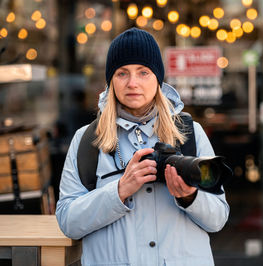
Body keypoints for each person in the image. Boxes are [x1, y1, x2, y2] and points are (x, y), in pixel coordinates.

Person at [55, 27, 230, 266]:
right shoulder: (87, 139)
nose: (132, 83)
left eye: (143, 72)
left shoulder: (189, 133)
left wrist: (190, 197)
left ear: (158, 78)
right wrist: (119, 190)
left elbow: (218, 218)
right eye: (122, 73)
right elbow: (68, 222)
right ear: (111, 81)